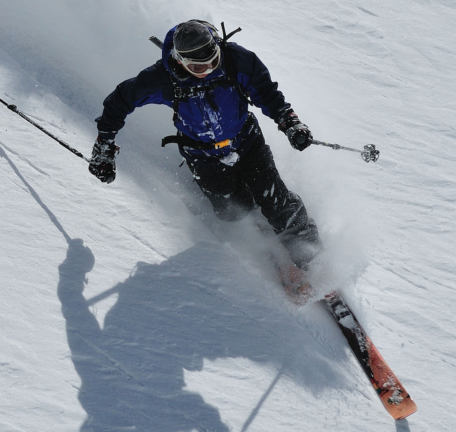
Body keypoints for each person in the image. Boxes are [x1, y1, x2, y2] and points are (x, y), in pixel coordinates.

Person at [88, 20, 321, 296]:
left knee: (276, 198)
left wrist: (289, 122)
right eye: (198, 68)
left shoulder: (235, 60)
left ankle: (311, 256)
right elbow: (119, 102)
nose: (208, 70)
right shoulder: (163, 79)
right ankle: (255, 222)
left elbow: (267, 93)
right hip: (204, 156)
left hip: (247, 143)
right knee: (232, 211)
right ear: (180, 60)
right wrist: (104, 146)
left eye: (213, 62)